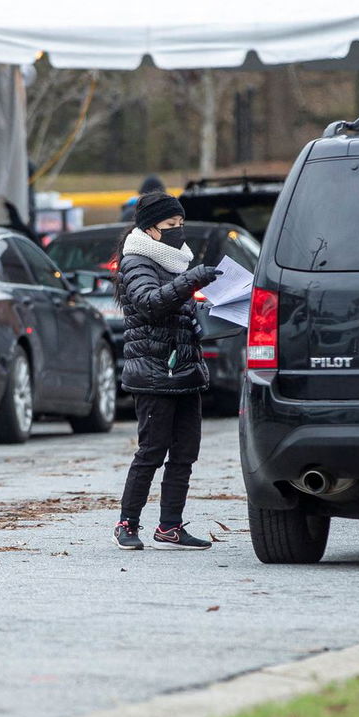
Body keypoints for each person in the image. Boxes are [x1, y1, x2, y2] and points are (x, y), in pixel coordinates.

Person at [113, 191, 221, 550]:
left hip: (185, 370)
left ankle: (170, 526)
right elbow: (148, 304)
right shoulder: (136, 261)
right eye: (170, 225)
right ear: (150, 229)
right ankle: (127, 523)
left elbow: (177, 309)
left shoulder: (178, 262)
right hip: (154, 373)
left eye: (181, 224)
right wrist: (193, 282)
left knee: (185, 453)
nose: (178, 231)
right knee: (151, 451)